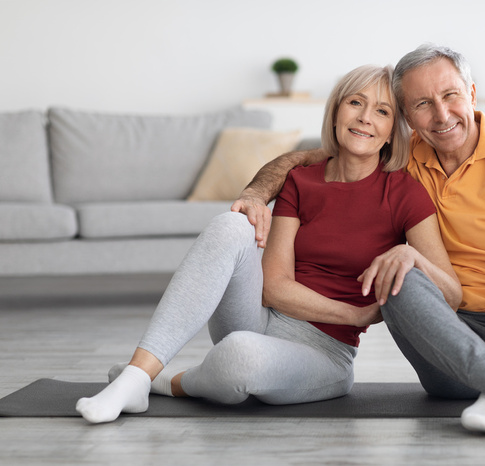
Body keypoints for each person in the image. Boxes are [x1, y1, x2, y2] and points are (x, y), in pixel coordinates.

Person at [231, 45, 485, 446]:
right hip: (449, 352)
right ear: (407, 117)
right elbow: (302, 161)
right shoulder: (400, 157)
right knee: (399, 274)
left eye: (450, 95)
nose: (441, 114)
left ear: (471, 93)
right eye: (422, 104)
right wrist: (257, 193)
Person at [75, 64, 462, 424]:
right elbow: (274, 286)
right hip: (257, 319)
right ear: (335, 112)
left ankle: (167, 383)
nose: (364, 117)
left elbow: (452, 294)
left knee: (239, 355)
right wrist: (356, 315)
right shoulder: (302, 180)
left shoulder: (405, 193)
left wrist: (413, 257)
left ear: (394, 130)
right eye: (355, 102)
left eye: (381, 111)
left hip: (324, 353)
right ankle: (135, 377)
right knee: (231, 225)